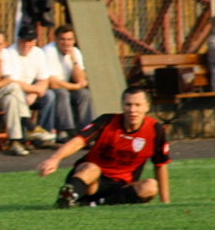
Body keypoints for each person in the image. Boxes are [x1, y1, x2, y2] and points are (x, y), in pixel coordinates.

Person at [37, 86, 170, 208]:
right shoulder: (107, 121)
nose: (132, 110)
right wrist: (55, 158)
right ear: (122, 106)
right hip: (92, 182)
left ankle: (98, 203)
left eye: (137, 105)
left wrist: (165, 202)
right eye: (128, 105)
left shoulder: (155, 130)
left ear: (147, 106)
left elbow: (160, 164)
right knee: (91, 168)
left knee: (150, 187)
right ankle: (68, 197)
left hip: (122, 186)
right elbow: (79, 141)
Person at [43, 24, 94, 142]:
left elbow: (80, 79)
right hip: (51, 88)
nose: (66, 43)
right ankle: (66, 130)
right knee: (62, 93)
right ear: (56, 39)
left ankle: (87, 131)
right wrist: (75, 86)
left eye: (70, 40)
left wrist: (74, 61)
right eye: (63, 39)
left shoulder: (75, 52)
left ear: (74, 40)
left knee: (84, 94)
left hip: (67, 86)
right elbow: (52, 82)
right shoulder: (49, 51)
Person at [8, 24, 56, 144]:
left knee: (50, 96)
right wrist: (36, 90)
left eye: (29, 41)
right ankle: (27, 134)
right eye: (23, 41)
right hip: (14, 93)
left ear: (34, 41)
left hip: (31, 92)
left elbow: (44, 79)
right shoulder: (9, 53)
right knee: (16, 97)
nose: (26, 45)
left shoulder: (38, 53)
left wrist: (34, 94)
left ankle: (43, 133)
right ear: (18, 40)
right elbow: (13, 82)